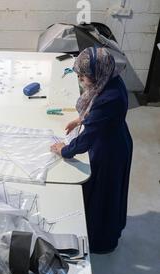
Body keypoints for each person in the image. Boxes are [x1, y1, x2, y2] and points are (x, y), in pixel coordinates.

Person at [50, 47, 133, 254]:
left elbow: (87, 140)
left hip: (109, 150)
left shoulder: (109, 98)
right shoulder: (109, 79)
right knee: (102, 193)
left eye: (83, 76)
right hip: (113, 137)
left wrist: (65, 150)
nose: (80, 80)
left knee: (102, 194)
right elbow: (96, 111)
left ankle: (100, 241)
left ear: (98, 74)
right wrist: (81, 118)